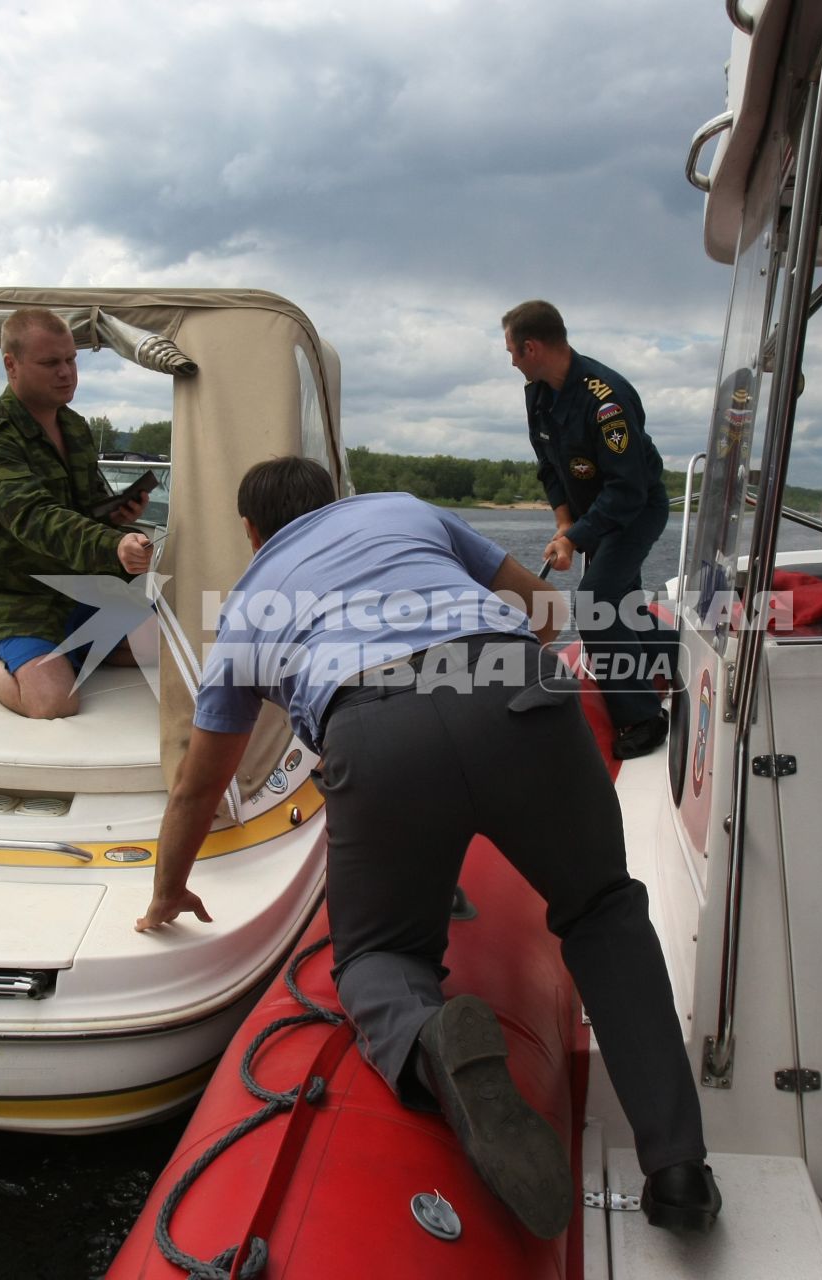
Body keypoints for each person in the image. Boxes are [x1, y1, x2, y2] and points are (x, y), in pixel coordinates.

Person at [134, 457, 720, 1239]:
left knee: (378, 956)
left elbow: (199, 785)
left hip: (377, 730)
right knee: (603, 910)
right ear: (338, 501)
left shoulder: (247, 604)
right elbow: (543, 606)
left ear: (251, 533)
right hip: (519, 683)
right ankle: (679, 1170)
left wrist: (167, 890)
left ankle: (429, 1039)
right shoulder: (402, 511)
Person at [0, 308, 154, 718]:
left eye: (71, 360)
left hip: (76, 583)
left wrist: (117, 516)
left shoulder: (74, 427)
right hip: (16, 597)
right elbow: (34, 518)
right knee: (52, 702)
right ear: (11, 365)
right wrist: (113, 545)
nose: (67, 373)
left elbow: (84, 506)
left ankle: (85, 646)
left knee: (167, 646)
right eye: (50, 363)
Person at [504, 300, 678, 758]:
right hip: (592, 516)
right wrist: (565, 523)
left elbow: (628, 492)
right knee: (620, 604)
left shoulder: (608, 399)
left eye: (512, 352)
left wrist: (574, 538)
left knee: (595, 601)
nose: (511, 361)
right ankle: (676, 654)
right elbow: (550, 465)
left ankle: (643, 718)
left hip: (635, 510)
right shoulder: (538, 392)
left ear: (531, 347)